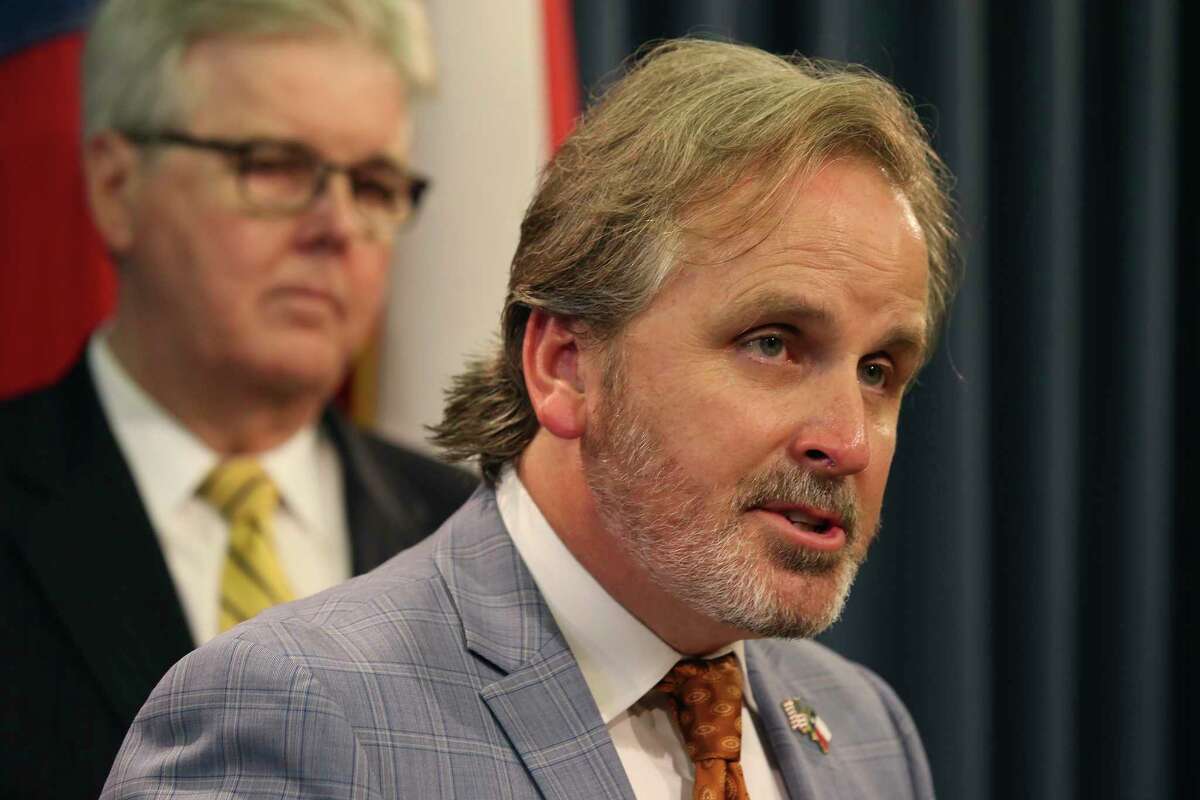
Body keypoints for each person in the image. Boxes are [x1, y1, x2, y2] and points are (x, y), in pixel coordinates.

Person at [101, 38, 957, 799]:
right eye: (772, 343)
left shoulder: (869, 734)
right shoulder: (295, 719)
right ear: (565, 366)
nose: (844, 440)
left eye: (880, 370)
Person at [0, 2, 476, 798]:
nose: (336, 226)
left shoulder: (469, 535)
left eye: (372, 184)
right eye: (275, 167)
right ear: (117, 186)